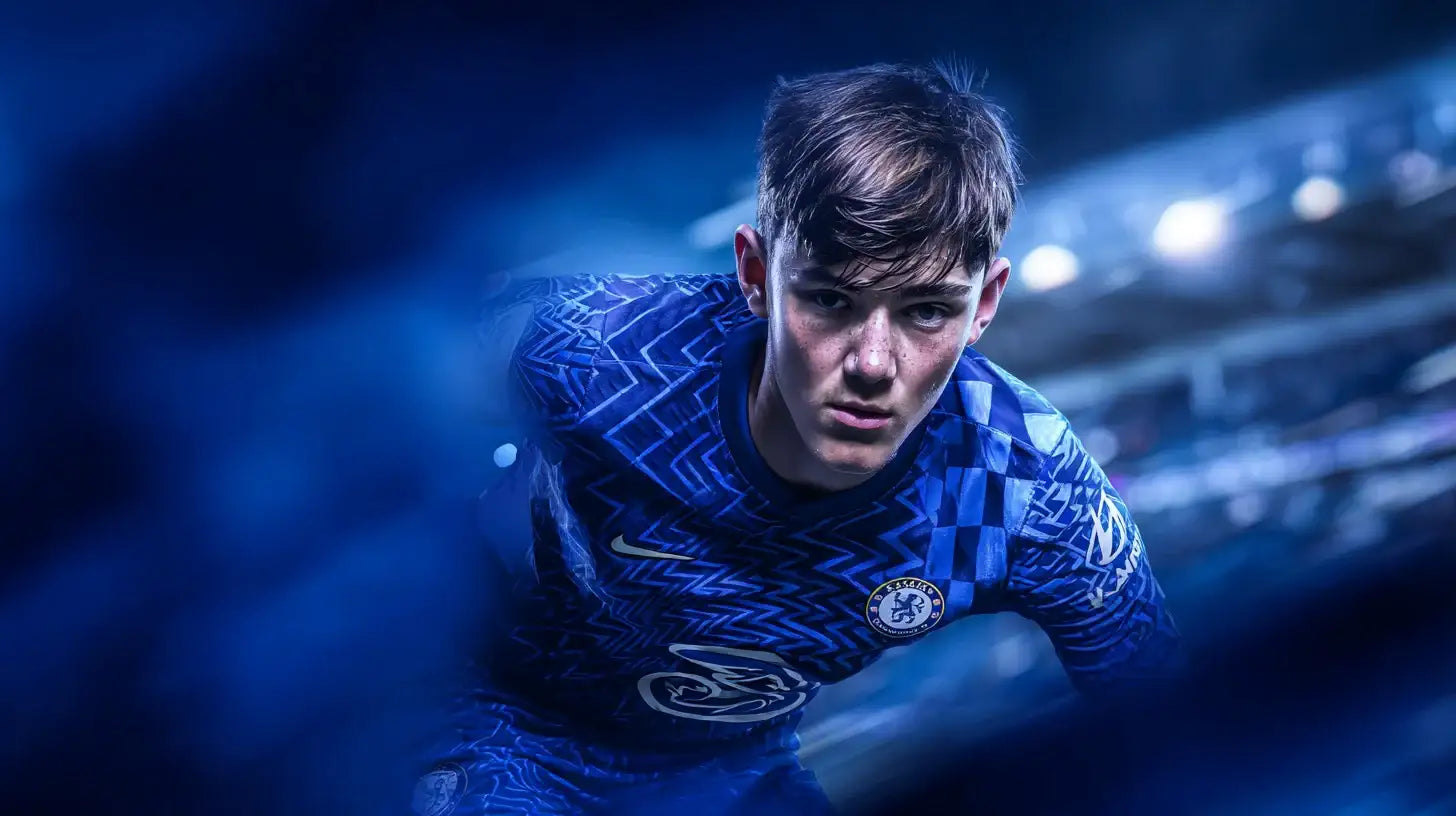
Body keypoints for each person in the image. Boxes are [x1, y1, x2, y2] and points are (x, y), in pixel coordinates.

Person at [412, 61, 1181, 816]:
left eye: (926, 312)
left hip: (735, 776)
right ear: (755, 273)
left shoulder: (1025, 489)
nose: (874, 364)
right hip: (507, 730)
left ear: (985, 305)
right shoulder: (598, 351)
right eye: (831, 299)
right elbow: (380, 389)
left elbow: (1170, 718)